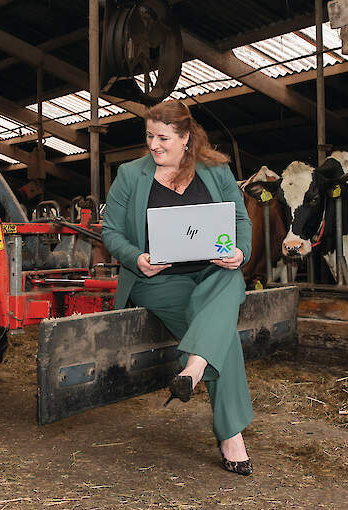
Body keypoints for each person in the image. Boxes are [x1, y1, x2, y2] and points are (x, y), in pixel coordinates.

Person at [101, 100, 254, 475]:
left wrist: (239, 251)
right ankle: (230, 434)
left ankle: (195, 367)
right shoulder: (129, 175)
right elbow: (111, 232)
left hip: (211, 274)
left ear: (185, 138)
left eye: (163, 138)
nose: (154, 145)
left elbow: (240, 219)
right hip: (159, 281)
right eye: (150, 136)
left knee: (230, 276)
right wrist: (137, 257)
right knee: (223, 335)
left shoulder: (216, 171)